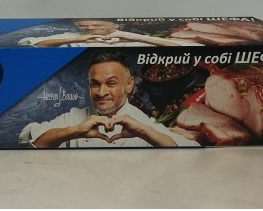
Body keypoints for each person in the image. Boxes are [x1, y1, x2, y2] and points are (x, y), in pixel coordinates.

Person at [19, 51, 199, 148]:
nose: (101, 92)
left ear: (129, 85)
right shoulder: (74, 118)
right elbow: (28, 140)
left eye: (111, 83)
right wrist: (75, 131)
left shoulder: (143, 123)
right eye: (95, 84)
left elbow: (189, 150)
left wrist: (143, 131)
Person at [18, 19, 193, 48]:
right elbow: (32, 44)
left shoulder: (129, 37)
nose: (89, 28)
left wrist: (133, 37)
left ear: (115, 24)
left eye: (96, 25)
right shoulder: (71, 36)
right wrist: (79, 38)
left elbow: (178, 47)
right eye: (83, 25)